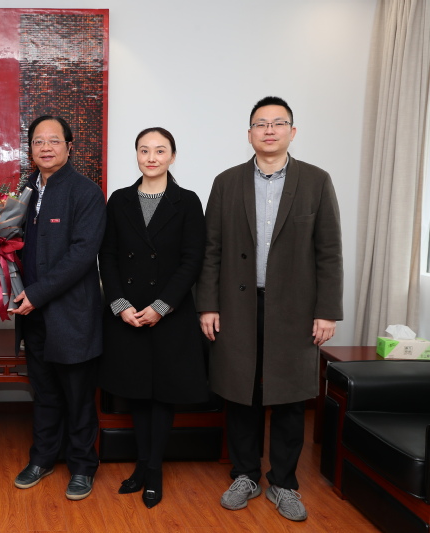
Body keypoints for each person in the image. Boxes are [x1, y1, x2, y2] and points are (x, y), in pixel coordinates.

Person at [196, 96, 343, 522]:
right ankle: (245, 475)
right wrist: (208, 305)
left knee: (290, 396)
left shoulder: (316, 181)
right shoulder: (227, 182)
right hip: (237, 306)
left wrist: (327, 310)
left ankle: (284, 482)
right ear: (250, 135)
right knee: (241, 392)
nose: (269, 130)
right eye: (261, 123)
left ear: (292, 132)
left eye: (278, 123)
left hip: (295, 309)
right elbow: (211, 250)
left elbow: (329, 251)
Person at [98, 127, 208, 508]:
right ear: (137, 156)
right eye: (144, 150)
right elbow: (108, 256)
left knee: (163, 395)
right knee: (138, 395)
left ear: (172, 157)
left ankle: (154, 470)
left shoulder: (187, 201)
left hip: (169, 314)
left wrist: (162, 306)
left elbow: (192, 260)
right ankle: (142, 466)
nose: (151, 157)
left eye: (160, 150)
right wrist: (119, 303)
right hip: (129, 313)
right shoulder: (120, 200)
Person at [10, 115, 106, 501]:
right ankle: (43, 458)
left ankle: (82, 466)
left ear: (69, 146)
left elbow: (82, 255)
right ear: (30, 149)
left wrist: (36, 293)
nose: (45, 147)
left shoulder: (86, 192)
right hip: (34, 316)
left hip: (72, 314)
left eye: (53, 140)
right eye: (38, 141)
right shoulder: (25, 190)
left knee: (78, 396)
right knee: (45, 392)